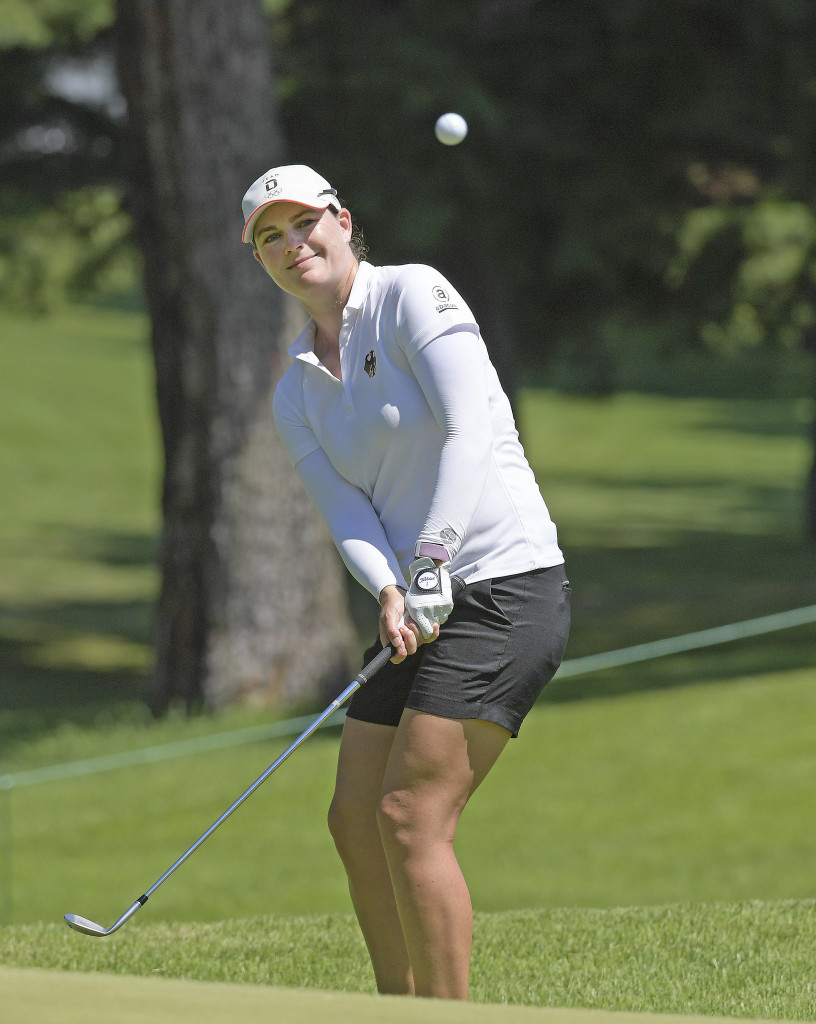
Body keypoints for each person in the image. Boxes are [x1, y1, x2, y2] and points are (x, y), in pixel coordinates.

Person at [240, 164, 571, 1000]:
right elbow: (346, 511)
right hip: (418, 606)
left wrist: (430, 561)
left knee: (409, 816)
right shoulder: (296, 391)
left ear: (342, 221)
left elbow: (470, 429)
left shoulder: (414, 295)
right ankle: (397, 1009)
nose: (292, 244)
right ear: (260, 261)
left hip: (503, 587)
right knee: (354, 819)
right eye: (269, 238)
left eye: (303, 223)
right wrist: (391, 588)